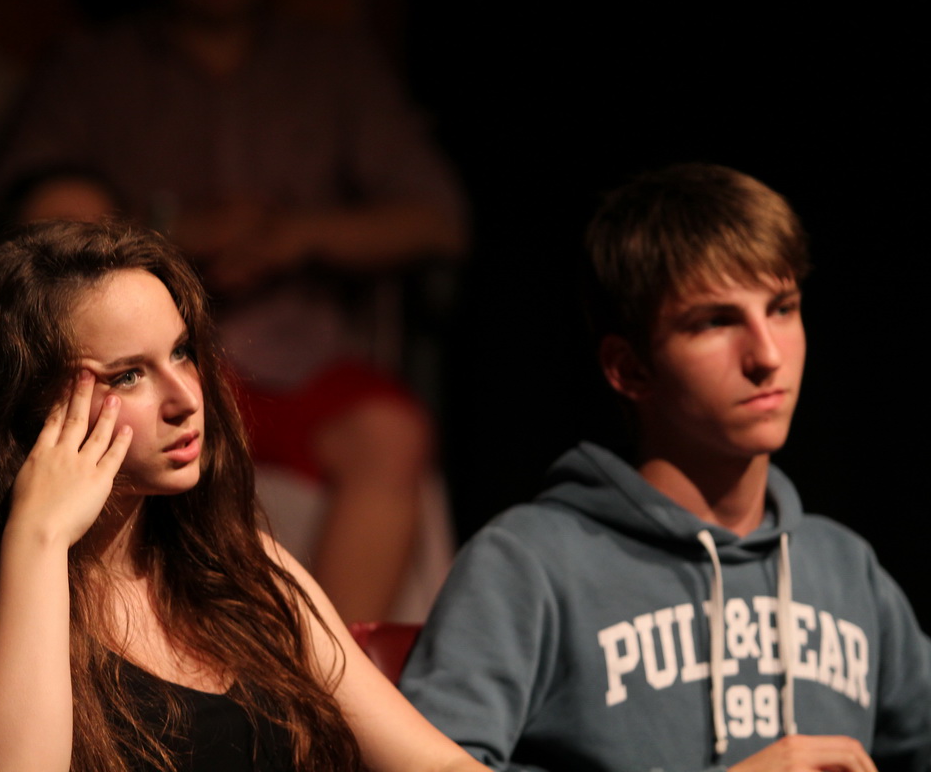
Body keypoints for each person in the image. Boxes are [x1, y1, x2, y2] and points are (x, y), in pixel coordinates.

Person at [0, 220, 484, 772]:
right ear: (25, 405)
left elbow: (436, 764)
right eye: (128, 375)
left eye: (181, 352)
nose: (186, 398)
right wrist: (39, 538)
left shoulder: (245, 565)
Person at [0, 0, 466, 623]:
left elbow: (439, 218)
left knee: (391, 433)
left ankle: (334, 658)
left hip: (303, 365)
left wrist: (296, 235)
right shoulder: (93, 67)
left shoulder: (332, 63)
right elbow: (31, 220)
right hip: (150, 354)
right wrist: (171, 234)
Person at [398, 164, 931, 771]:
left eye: (782, 308)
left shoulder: (846, 570)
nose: (767, 355)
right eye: (716, 322)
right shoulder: (530, 562)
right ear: (629, 368)